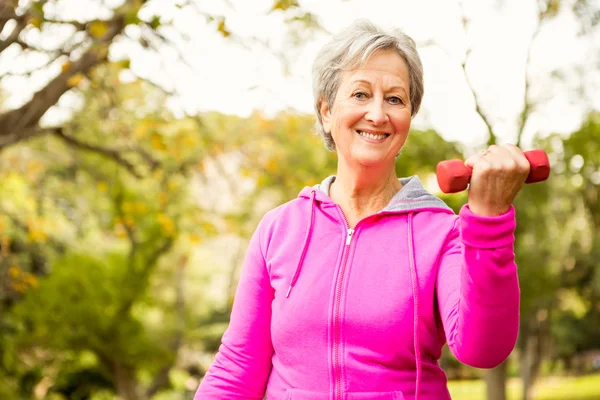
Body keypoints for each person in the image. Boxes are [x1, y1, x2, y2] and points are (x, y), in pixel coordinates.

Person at [195, 19, 530, 400]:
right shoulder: (279, 229)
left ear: (408, 118)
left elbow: (483, 350)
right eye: (359, 94)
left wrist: (489, 220)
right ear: (325, 112)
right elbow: (238, 365)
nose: (377, 114)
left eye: (395, 98)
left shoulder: (442, 232)